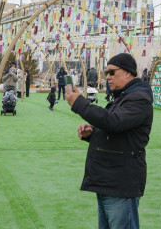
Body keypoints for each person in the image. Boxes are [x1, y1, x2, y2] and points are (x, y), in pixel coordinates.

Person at [65, 52, 153, 229]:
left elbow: (114, 122)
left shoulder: (139, 99)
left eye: (112, 72)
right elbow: (115, 129)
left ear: (128, 72)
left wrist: (79, 103)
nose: (108, 77)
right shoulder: (123, 97)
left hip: (120, 182)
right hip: (109, 180)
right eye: (106, 73)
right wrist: (93, 133)